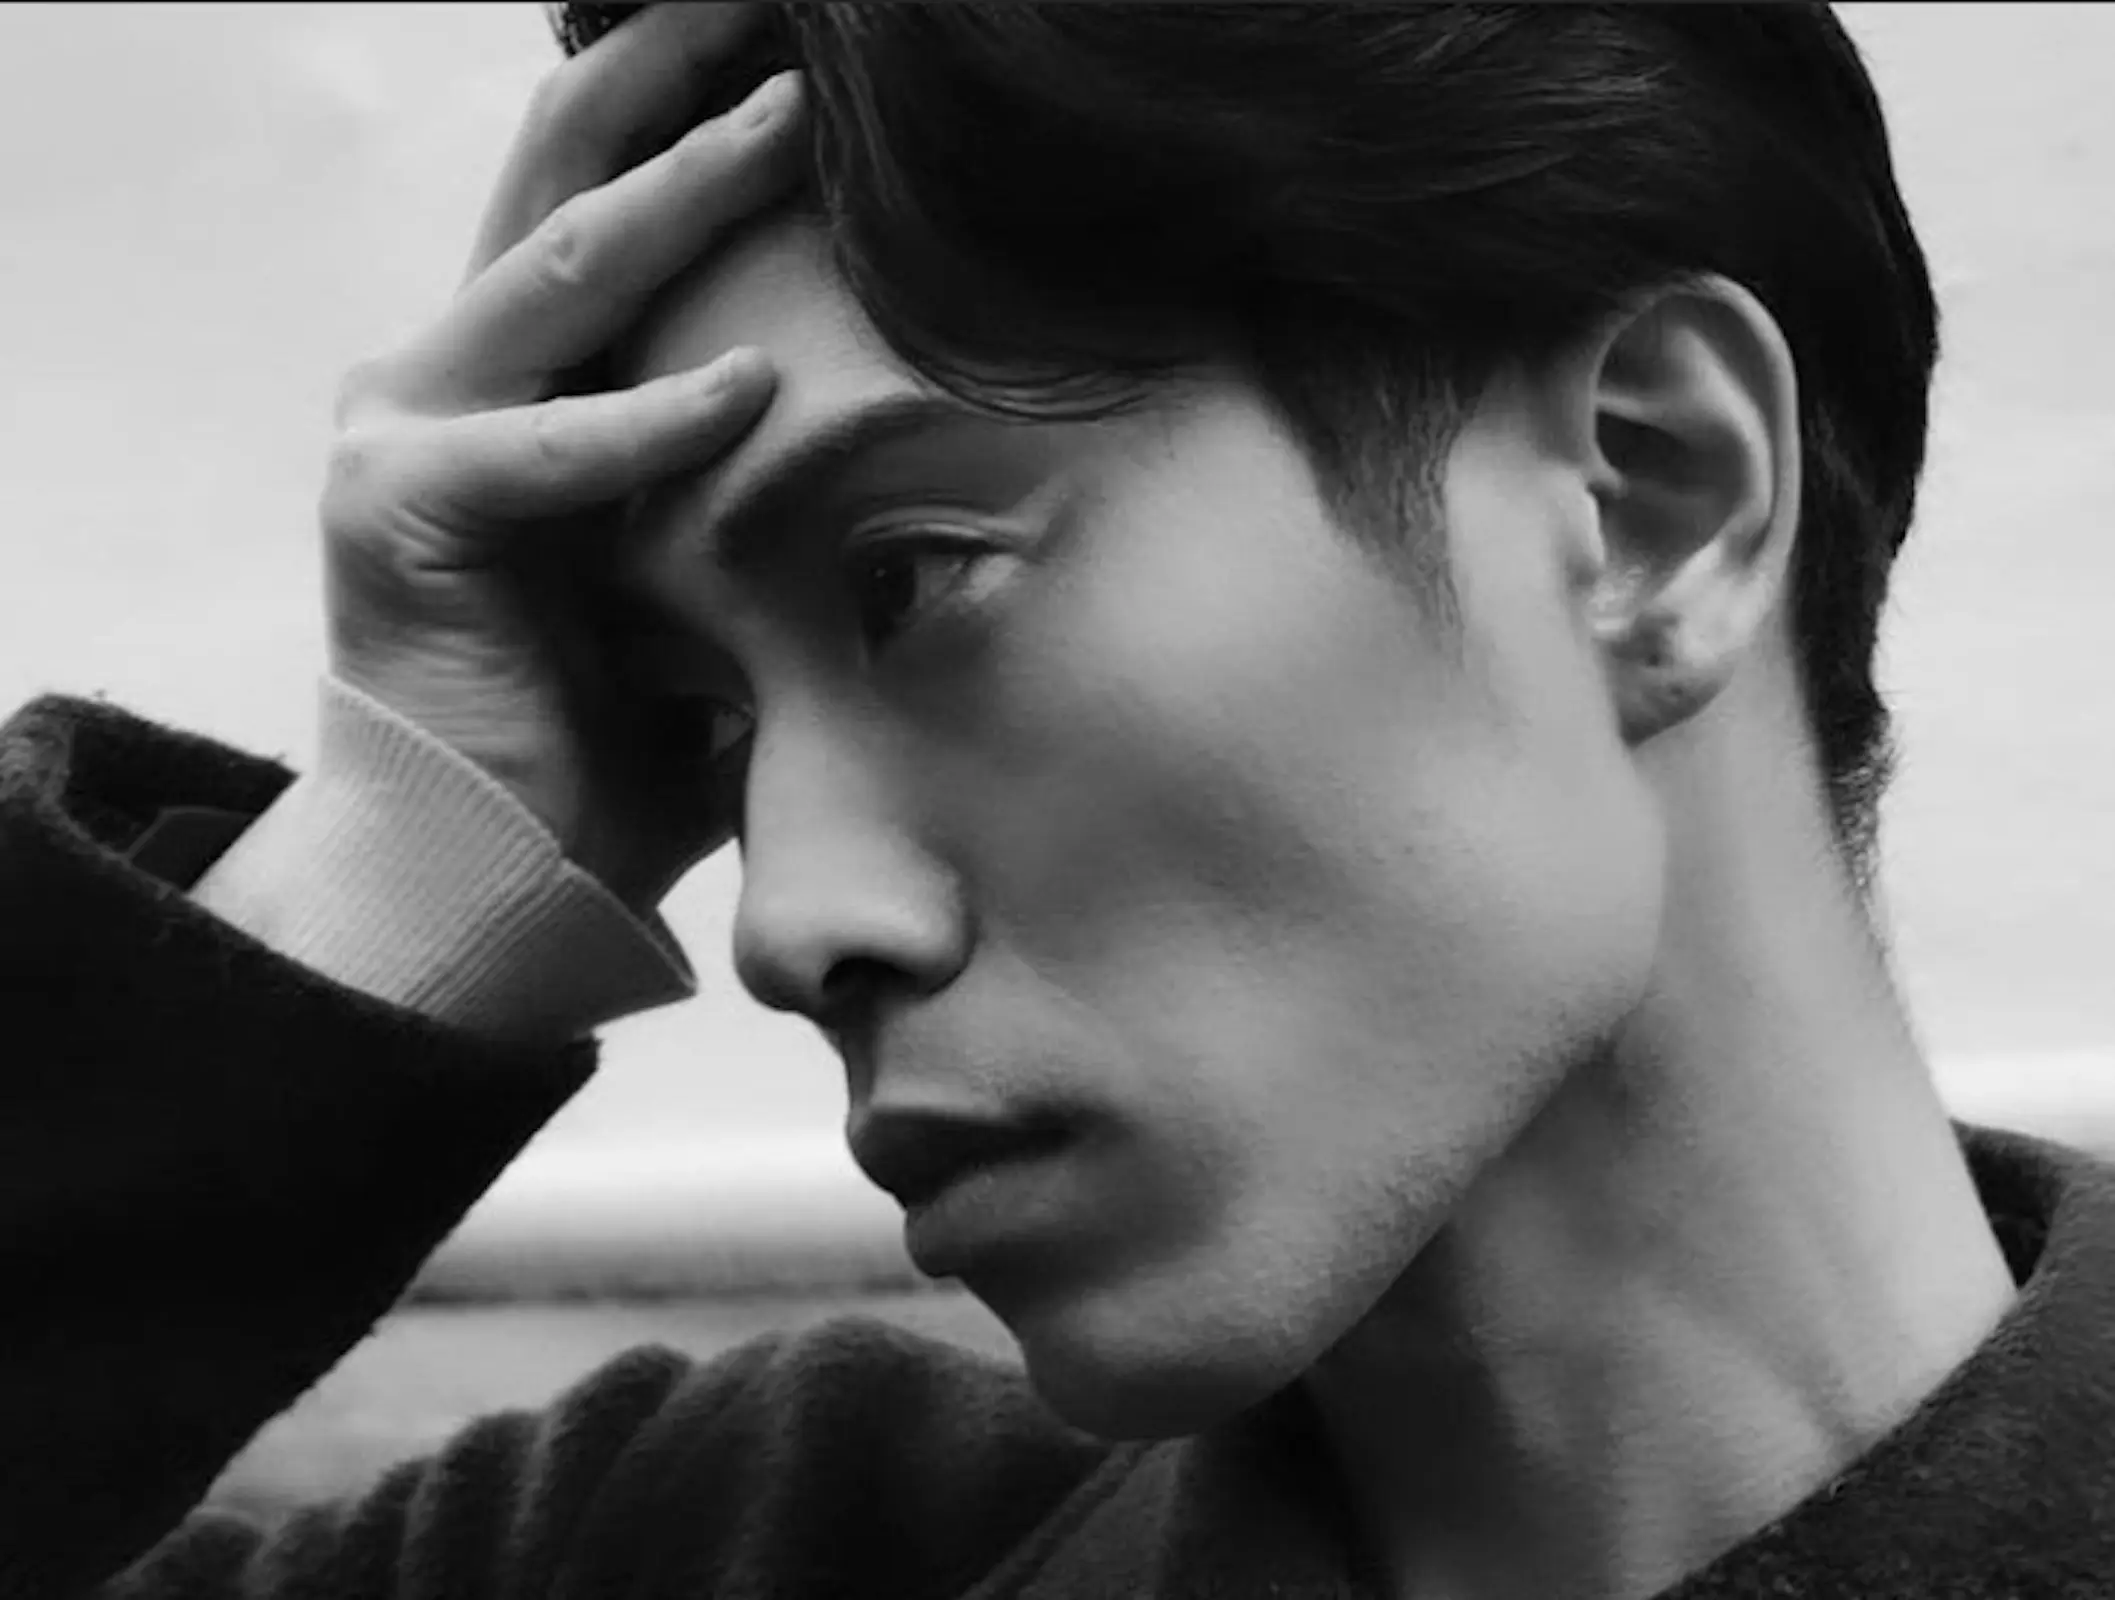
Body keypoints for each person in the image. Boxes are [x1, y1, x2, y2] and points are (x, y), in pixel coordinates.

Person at [4, 2, 2111, 1595]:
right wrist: (395, 862)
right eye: (701, 720)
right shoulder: (718, 1543)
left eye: (914, 578)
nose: (779, 925)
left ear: (1649, 496)